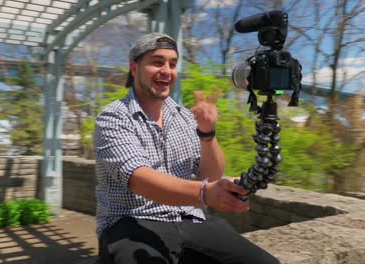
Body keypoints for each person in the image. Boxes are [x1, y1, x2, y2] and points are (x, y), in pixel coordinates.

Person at [93, 32, 279, 264]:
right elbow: (139, 178)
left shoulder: (183, 116)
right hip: (131, 221)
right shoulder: (113, 117)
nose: (167, 70)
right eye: (157, 62)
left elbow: (211, 176)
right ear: (134, 68)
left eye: (172, 64)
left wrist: (207, 133)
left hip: (189, 218)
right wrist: (204, 193)